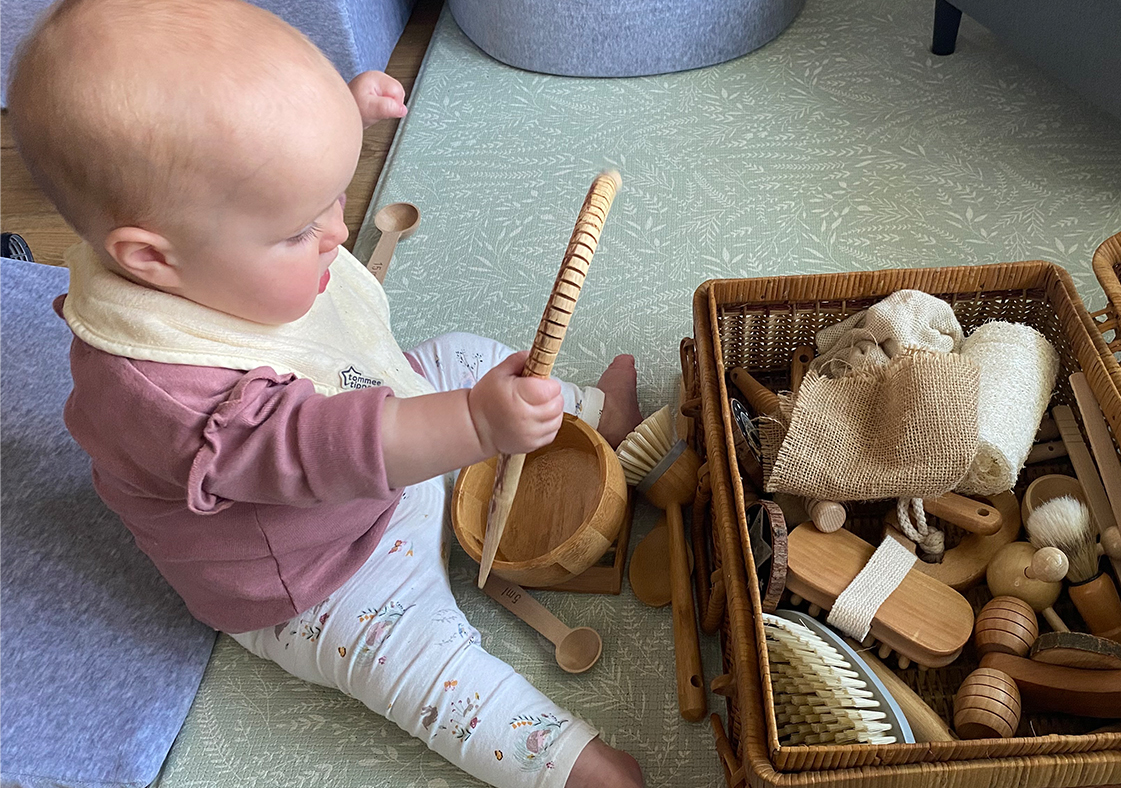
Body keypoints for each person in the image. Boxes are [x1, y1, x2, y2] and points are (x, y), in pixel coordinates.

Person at [7, 1, 645, 786]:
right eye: (297, 227)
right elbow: (325, 448)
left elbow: (245, 172)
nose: (339, 234)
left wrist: (335, 121)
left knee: (463, 357)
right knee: (433, 677)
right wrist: (477, 422)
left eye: (333, 200)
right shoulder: (173, 393)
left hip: (376, 423)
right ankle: (568, 764)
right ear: (150, 262)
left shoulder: (196, 227)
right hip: (320, 566)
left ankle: (597, 418)